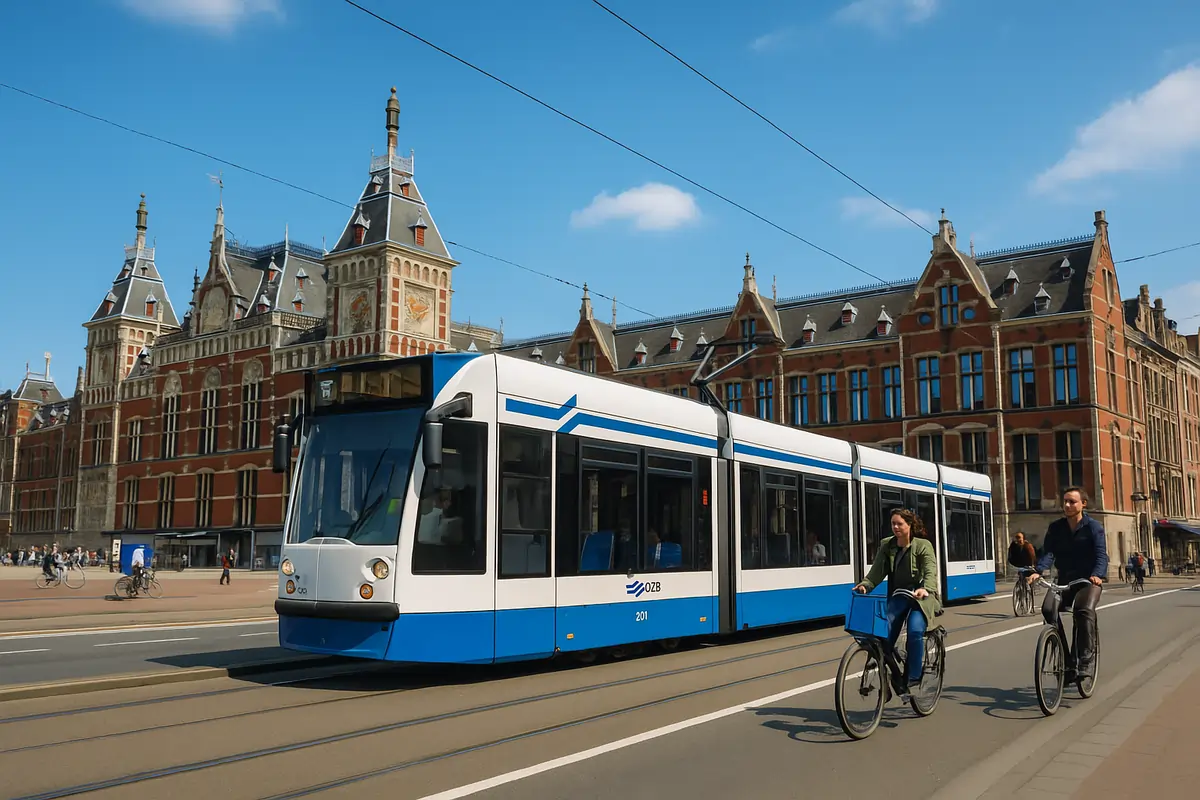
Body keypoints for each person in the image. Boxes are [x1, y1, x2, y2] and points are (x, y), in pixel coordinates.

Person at [854, 508, 941, 698]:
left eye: (899, 523)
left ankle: (914, 675)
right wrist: (865, 585)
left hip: (921, 599)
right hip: (899, 596)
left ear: (909, 525)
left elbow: (930, 569)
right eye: (893, 523)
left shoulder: (922, 545)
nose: (895, 527)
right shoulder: (888, 545)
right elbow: (877, 571)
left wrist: (925, 587)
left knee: (915, 630)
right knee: (881, 634)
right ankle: (890, 678)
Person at [1026, 486, 1108, 678]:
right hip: (1064, 579)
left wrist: (1097, 575)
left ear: (1083, 504)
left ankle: (1086, 660)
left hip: (1088, 580)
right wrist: (1038, 571)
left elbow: (1101, 555)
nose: (1068, 505)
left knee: (1083, 610)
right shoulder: (1056, 528)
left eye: (1072, 501)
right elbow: (1049, 553)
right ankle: (1067, 660)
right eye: (1065, 501)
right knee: (1048, 610)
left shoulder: (1093, 527)